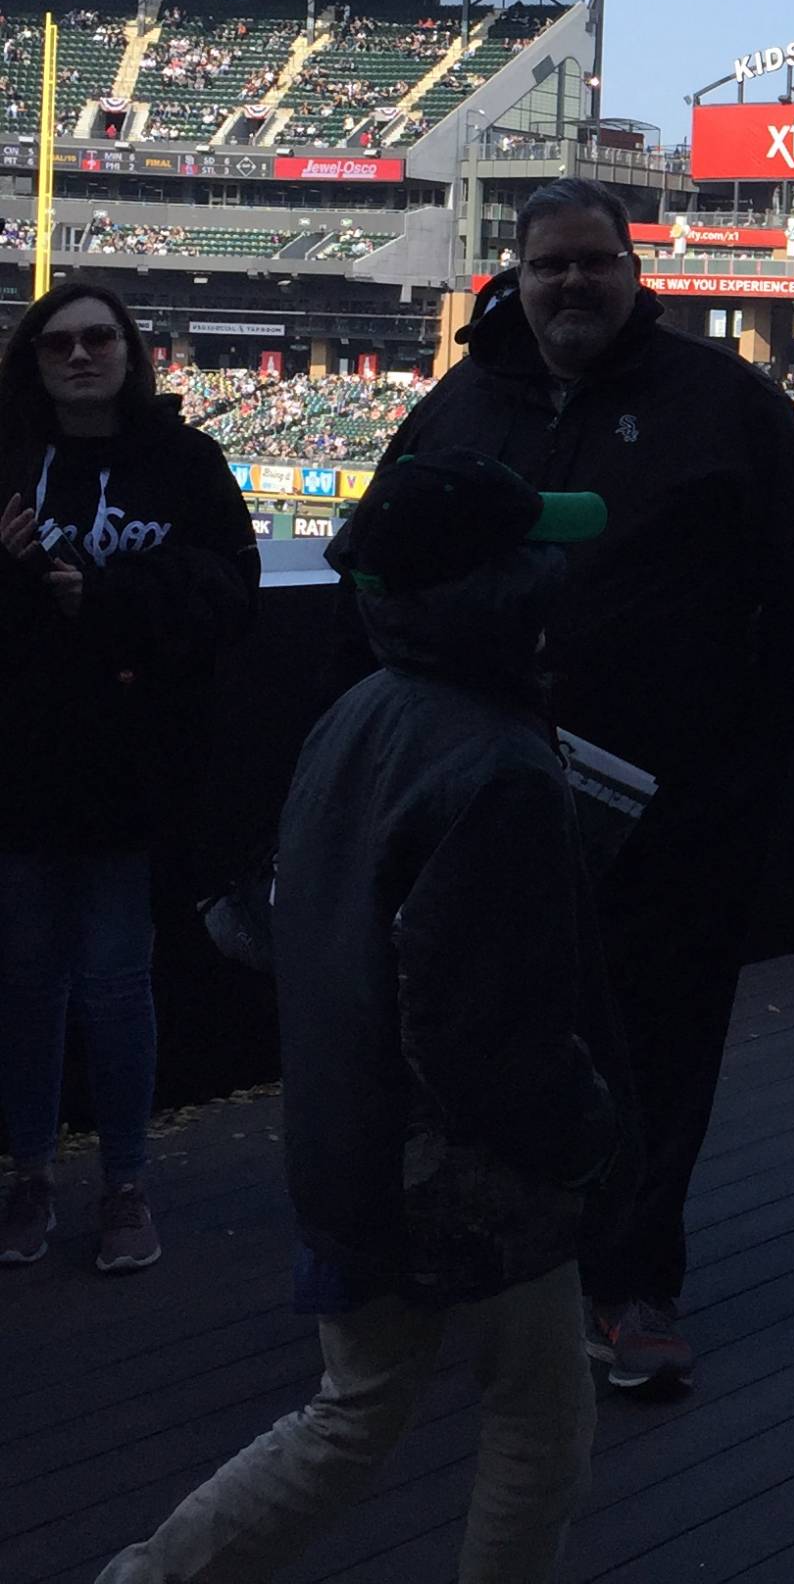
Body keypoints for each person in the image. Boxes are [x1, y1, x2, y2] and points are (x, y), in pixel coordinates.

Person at [369, 178, 794, 1392]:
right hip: (481, 807)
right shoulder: (460, 404)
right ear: (516, 276)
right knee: (472, 1035)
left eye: (596, 263)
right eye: (551, 266)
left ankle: (632, 1281)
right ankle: (491, 1269)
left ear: (635, 274)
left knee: (656, 1041)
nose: (574, 284)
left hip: (671, 809)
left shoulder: (722, 402)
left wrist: (743, 759)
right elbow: (374, 580)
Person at [100, 451, 629, 1584]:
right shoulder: (500, 764)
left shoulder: (361, 710)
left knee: (350, 1414)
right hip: (458, 1175)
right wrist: (586, 1131)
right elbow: (479, 1032)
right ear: (501, 590)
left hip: (344, 1135)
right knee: (540, 1420)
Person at [0, 280, 257, 1276]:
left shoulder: (184, 460)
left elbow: (228, 591)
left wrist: (101, 599)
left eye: (97, 338)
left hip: (130, 767)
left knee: (114, 981)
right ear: (33, 359)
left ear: (128, 349)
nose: (78, 356)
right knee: (25, 985)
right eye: (57, 343)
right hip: (20, 765)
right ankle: (28, 1171)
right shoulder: (10, 458)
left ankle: (125, 1179)